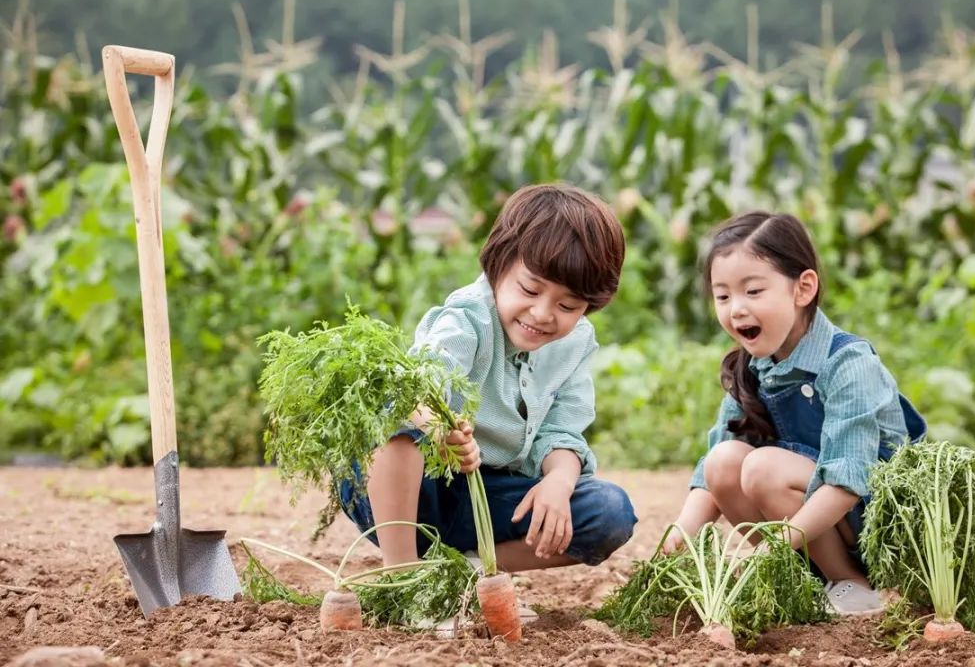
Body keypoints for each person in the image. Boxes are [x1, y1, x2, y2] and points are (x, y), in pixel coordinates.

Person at [339, 183, 637, 628]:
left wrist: (558, 480)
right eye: (530, 289)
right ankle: (404, 583)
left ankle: (466, 573)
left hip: (490, 499)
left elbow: (563, 431)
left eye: (568, 304)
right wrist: (441, 428)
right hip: (415, 492)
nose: (542, 313)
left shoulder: (575, 344)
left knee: (609, 511)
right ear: (498, 264)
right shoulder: (467, 320)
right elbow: (421, 386)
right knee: (398, 416)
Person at [664, 210, 925, 616]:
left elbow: (848, 482)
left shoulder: (848, 363)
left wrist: (773, 546)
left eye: (753, 291)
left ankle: (853, 585)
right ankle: (805, 583)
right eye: (723, 296)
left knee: (763, 468)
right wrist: (681, 535)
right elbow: (711, 473)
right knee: (723, 462)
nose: (736, 309)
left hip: (876, 524)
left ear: (802, 289)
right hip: (812, 523)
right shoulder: (752, 365)